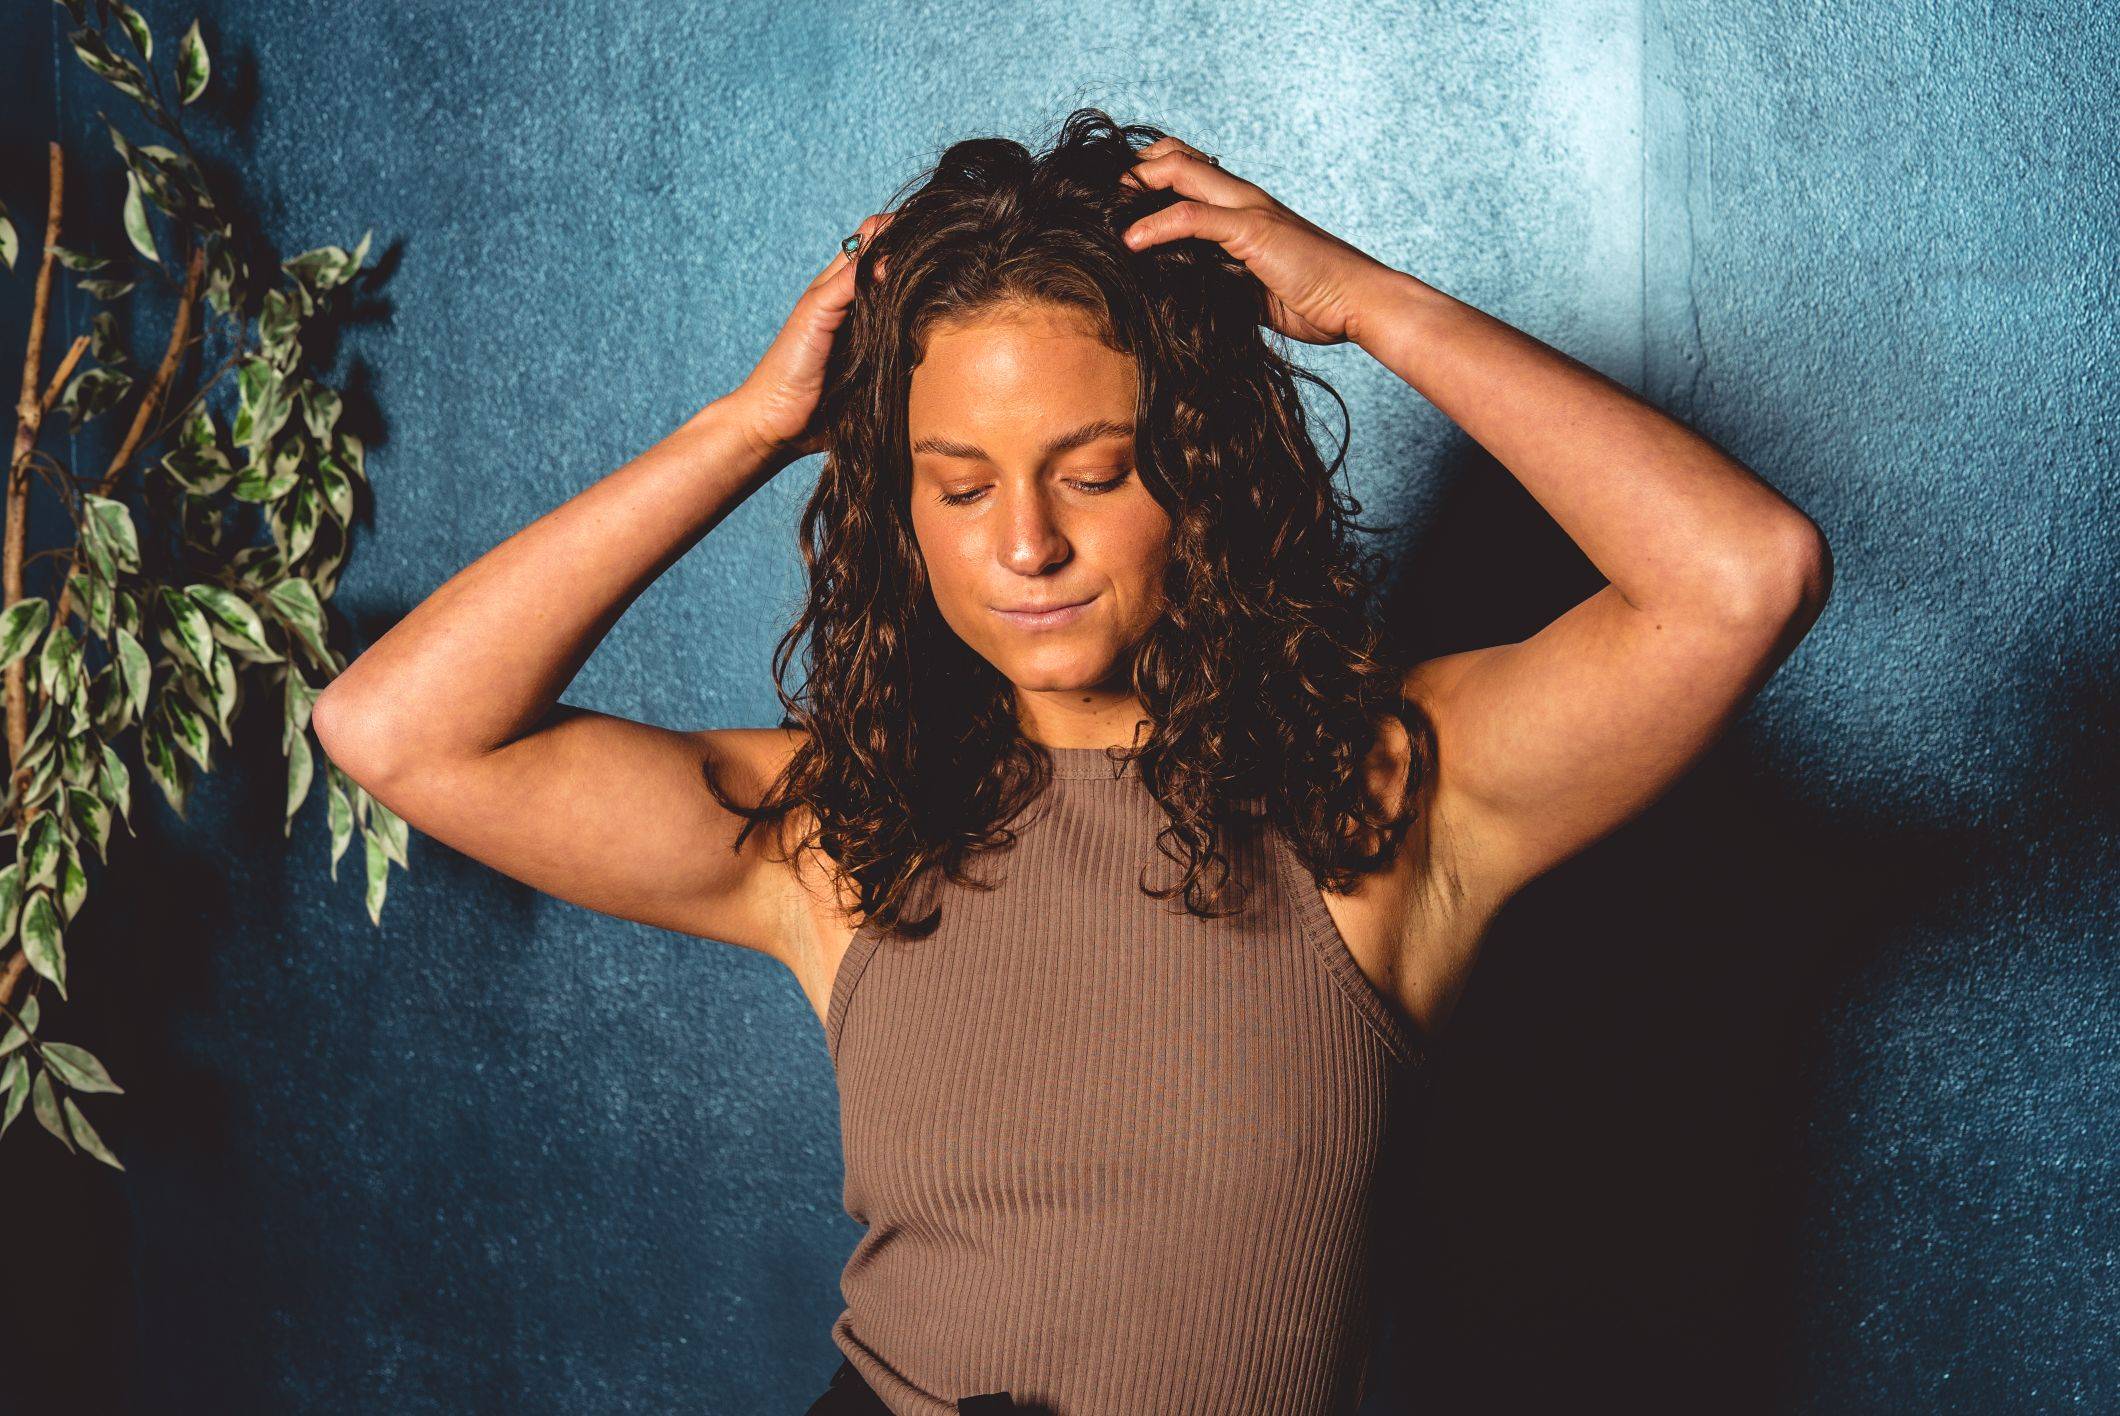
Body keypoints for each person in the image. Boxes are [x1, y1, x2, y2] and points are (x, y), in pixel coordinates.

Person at [313, 109, 1831, 1415]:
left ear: (1203, 469)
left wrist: (1366, 303)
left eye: (1093, 474)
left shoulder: (1380, 797)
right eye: (959, 486)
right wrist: (757, 423)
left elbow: (1741, 576)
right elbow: (394, 729)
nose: (1026, 544)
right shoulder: (844, 830)